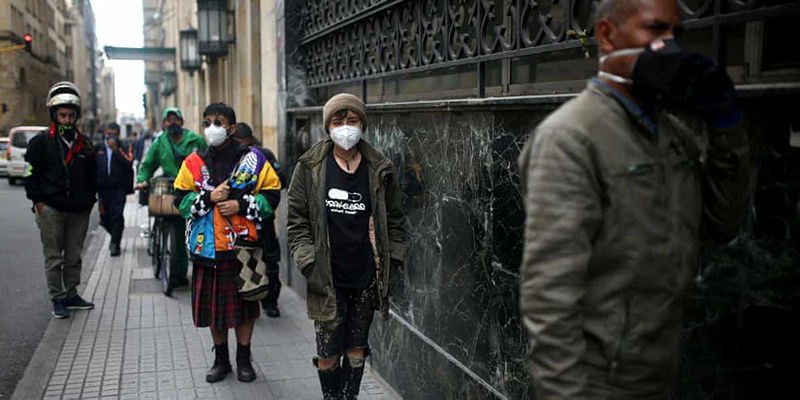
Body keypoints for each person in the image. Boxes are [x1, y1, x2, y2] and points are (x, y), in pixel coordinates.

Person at [517, 1, 755, 399]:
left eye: (674, 35)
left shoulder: (673, 131)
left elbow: (720, 224)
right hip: (598, 382)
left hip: (659, 369)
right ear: (608, 35)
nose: (667, 47)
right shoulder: (571, 137)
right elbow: (550, 295)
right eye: (653, 30)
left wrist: (725, 126)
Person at [287, 93, 406, 400]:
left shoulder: (379, 167)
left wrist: (393, 260)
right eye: (338, 120)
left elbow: (394, 219)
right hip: (327, 276)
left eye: (352, 120)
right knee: (327, 352)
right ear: (328, 126)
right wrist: (307, 262)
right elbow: (297, 221)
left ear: (362, 125)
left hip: (367, 275)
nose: (345, 126)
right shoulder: (310, 166)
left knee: (356, 348)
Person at [173, 103, 281, 383]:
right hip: (207, 249)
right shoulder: (193, 162)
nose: (212, 128)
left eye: (218, 122)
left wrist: (241, 205)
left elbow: (272, 197)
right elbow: (180, 202)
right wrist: (208, 199)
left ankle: (244, 359)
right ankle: (221, 360)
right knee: (213, 311)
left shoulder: (254, 160)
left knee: (246, 309)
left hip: (243, 249)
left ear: (231, 128)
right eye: (207, 122)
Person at [24, 81, 98, 319]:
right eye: (62, 115)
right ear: (54, 115)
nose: (66, 119)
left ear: (76, 116)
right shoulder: (40, 142)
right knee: (54, 257)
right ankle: (57, 298)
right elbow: (30, 174)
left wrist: (90, 201)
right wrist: (38, 202)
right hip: (51, 209)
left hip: (79, 210)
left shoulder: (85, 144)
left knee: (74, 256)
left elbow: (93, 175)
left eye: (70, 115)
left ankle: (71, 293)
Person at [135, 108, 207, 287]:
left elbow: (208, 161)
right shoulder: (160, 142)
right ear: (164, 124)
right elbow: (148, 164)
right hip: (170, 188)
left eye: (176, 119)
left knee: (191, 230)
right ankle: (175, 270)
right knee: (173, 224)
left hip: (192, 189)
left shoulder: (195, 140)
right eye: (169, 120)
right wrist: (142, 180)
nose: (172, 123)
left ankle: (191, 270)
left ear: (182, 122)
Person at [232, 122, 285, 318]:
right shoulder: (228, 158)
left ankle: (270, 302)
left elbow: (281, 180)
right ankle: (246, 299)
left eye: (245, 144)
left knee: (270, 260)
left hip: (263, 220)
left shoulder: (264, 156)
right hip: (237, 222)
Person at [96, 123, 134, 257]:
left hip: (119, 189)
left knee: (116, 215)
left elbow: (129, 162)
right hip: (102, 189)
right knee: (104, 218)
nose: (111, 137)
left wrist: (116, 149)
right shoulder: (98, 147)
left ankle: (115, 243)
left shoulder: (124, 146)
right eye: (108, 134)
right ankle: (115, 234)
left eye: (114, 134)